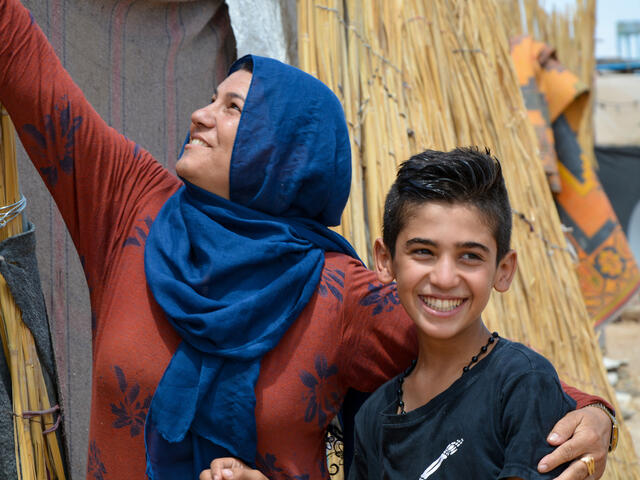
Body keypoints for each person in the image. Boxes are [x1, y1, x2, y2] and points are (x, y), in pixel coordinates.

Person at [0, 0, 614, 479]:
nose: (200, 115)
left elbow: (480, 367)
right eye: (211, 100)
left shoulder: (335, 293)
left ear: (284, 149)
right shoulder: (129, 204)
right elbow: (25, 65)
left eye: (232, 108)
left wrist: (594, 414)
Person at [347, 148, 583, 479]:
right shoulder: (375, 415)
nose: (444, 278)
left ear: (503, 270)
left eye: (470, 256)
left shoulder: (522, 384)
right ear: (385, 261)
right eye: (423, 252)